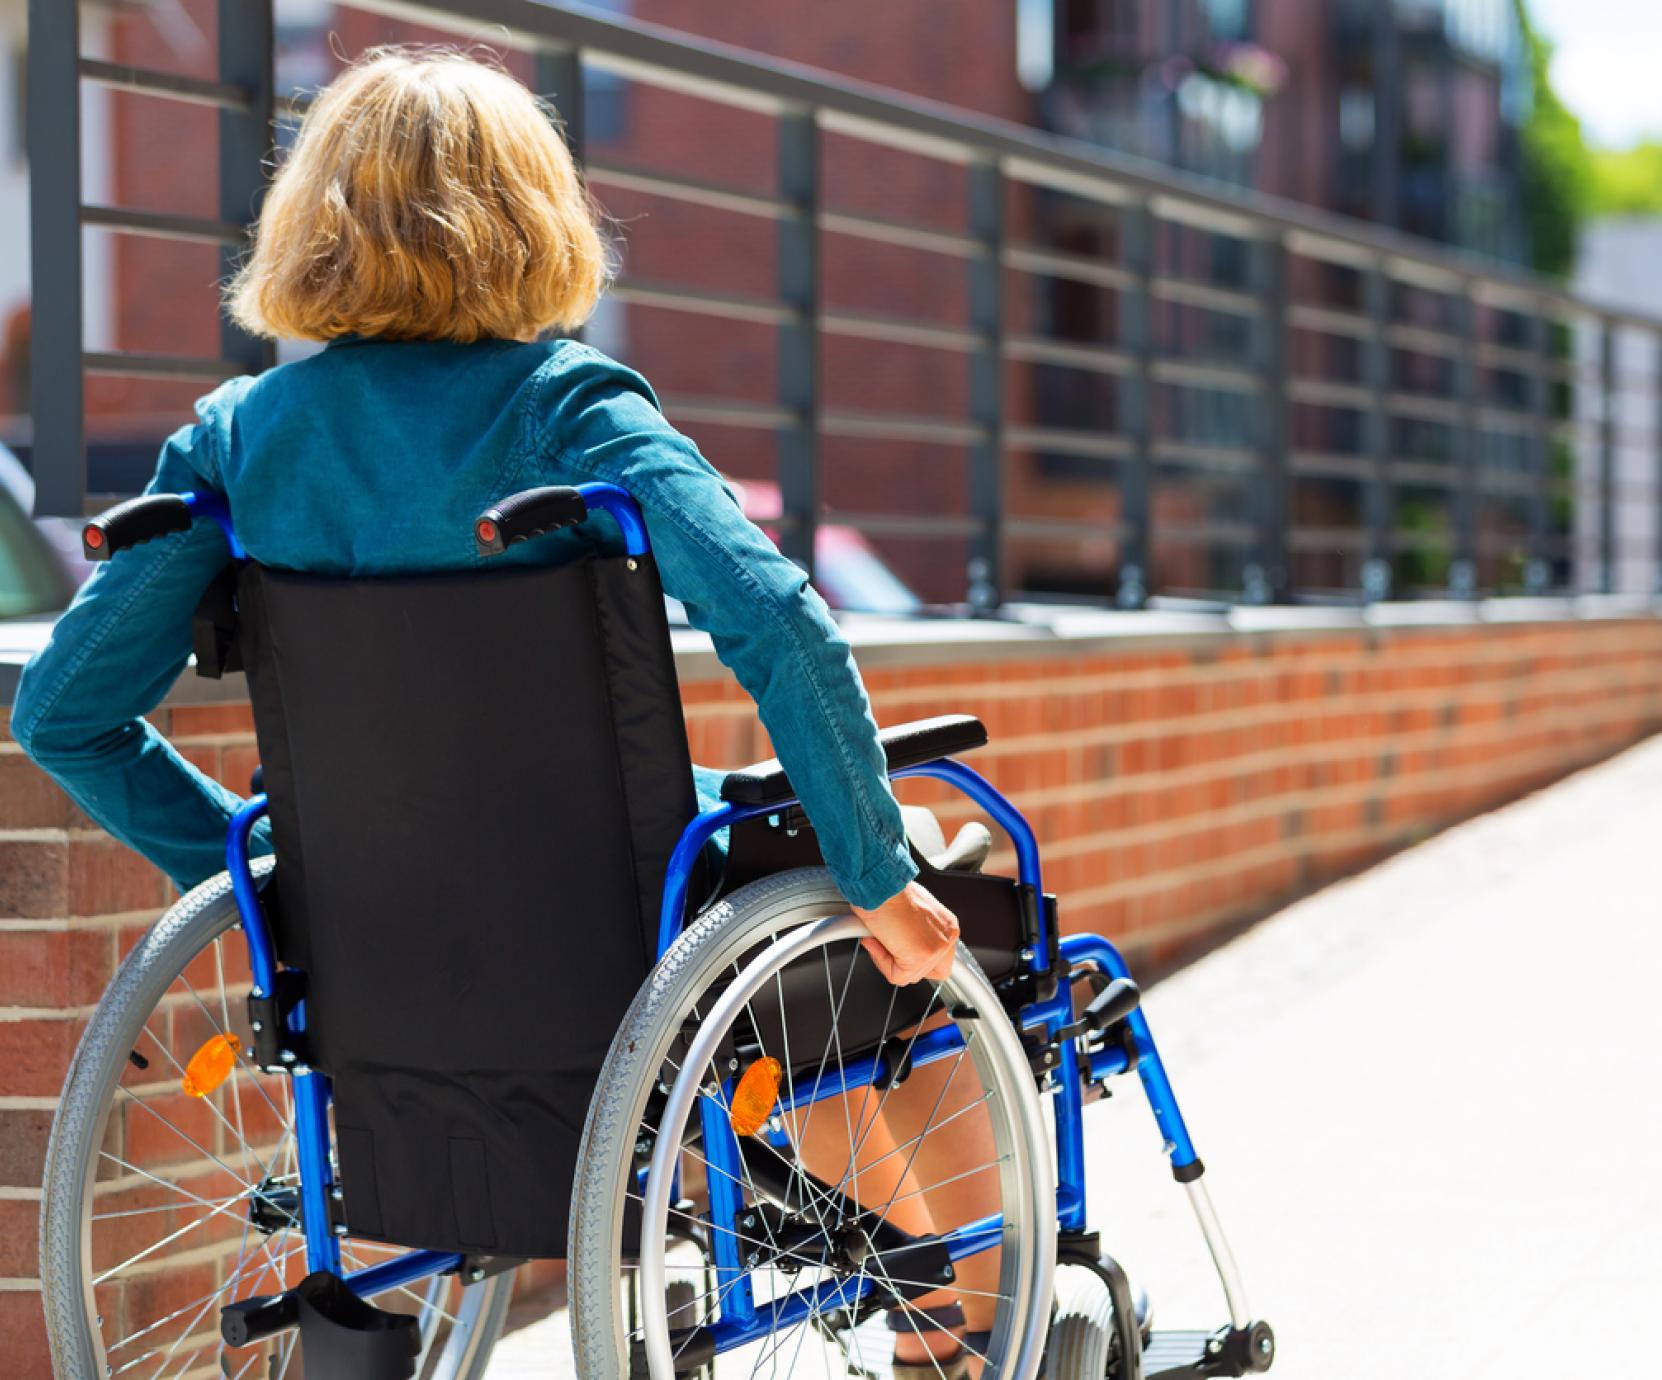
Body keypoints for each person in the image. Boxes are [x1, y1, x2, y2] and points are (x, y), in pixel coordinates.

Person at [15, 46, 990, 1379]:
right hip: (626, 938)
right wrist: (877, 871)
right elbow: (780, 623)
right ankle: (969, 1333)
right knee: (907, 914)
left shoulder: (240, 440)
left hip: (381, 954)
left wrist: (273, 899)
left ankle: (935, 1312)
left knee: (805, 920)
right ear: (533, 217)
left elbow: (65, 713)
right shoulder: (571, 410)